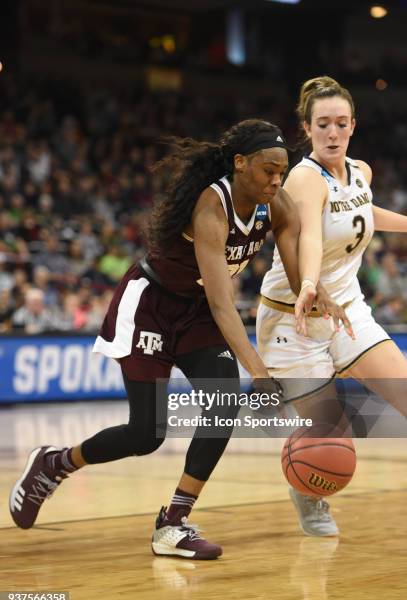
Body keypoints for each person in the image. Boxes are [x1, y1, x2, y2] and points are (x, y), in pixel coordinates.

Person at [10, 119, 328, 560]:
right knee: (148, 433)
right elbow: (223, 304)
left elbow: (294, 253)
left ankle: (173, 523)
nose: (277, 180)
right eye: (267, 171)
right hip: (151, 308)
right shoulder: (210, 209)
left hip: (195, 312)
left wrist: (311, 289)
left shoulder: (277, 203)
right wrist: (258, 372)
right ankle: (55, 463)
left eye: (282, 171)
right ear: (240, 164)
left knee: (222, 404)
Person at [257, 76, 407, 538]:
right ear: (307, 128)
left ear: (353, 126)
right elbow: (312, 236)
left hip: (348, 312)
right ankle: (308, 493)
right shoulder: (304, 178)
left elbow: (365, 215)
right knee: (328, 434)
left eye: (341, 123)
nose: (333, 132)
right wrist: (308, 283)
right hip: (293, 318)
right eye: (323, 124)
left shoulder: (359, 171)